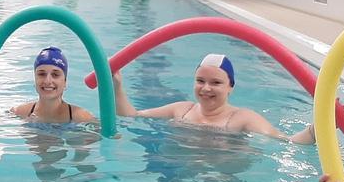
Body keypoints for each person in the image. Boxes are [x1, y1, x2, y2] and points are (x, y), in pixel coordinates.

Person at [111, 53, 314, 143]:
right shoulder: (181, 110)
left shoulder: (242, 118)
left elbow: (287, 142)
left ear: (230, 87)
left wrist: (317, 129)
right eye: (200, 80)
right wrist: (117, 86)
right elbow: (131, 116)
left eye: (216, 83)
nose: (206, 88)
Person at [12, 47, 96, 124]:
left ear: (65, 82)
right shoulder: (19, 113)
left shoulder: (82, 118)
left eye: (55, 75)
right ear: (35, 80)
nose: (48, 81)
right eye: (42, 74)